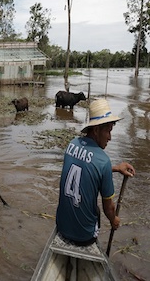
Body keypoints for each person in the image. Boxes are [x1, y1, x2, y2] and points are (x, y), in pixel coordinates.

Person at [56, 99, 135, 246]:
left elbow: (86, 167)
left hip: (61, 227)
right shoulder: (103, 161)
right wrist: (114, 220)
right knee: (97, 211)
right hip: (84, 237)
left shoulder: (72, 145)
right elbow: (108, 208)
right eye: (108, 131)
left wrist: (116, 168)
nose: (110, 137)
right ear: (97, 130)